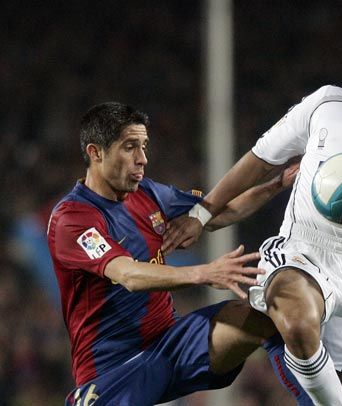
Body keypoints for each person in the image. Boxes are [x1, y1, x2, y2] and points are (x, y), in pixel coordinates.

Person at [163, 23, 342, 406]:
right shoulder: (326, 104)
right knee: (298, 318)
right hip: (302, 250)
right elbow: (261, 159)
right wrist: (202, 212)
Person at [46, 101, 299, 405]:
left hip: (171, 345)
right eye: (129, 147)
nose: (142, 159)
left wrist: (276, 184)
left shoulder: (149, 193)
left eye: (143, 147)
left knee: (263, 316)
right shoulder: (72, 219)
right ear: (95, 152)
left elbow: (220, 211)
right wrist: (204, 273)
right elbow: (128, 275)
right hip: (114, 370)